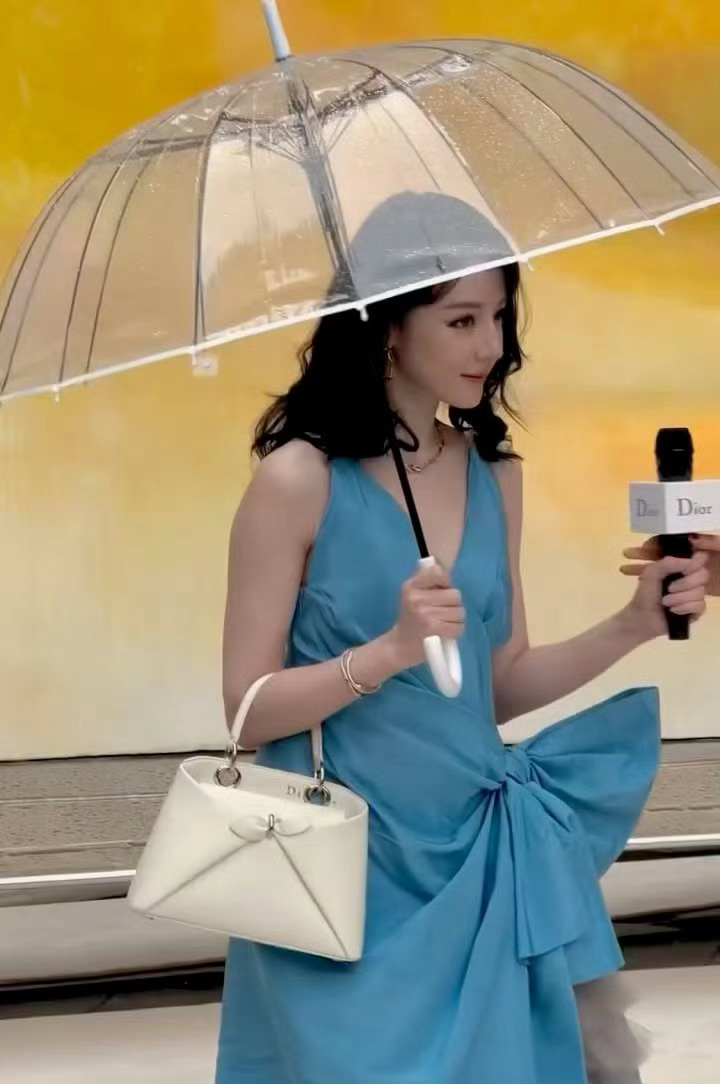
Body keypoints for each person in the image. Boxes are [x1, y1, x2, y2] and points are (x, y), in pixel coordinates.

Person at [215, 193, 709, 1084]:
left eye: (500, 316)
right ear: (389, 328)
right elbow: (246, 712)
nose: (490, 344)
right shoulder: (297, 480)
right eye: (462, 319)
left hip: (479, 855)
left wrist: (633, 623)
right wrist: (388, 652)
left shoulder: (495, 474)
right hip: (344, 872)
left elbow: (499, 682)